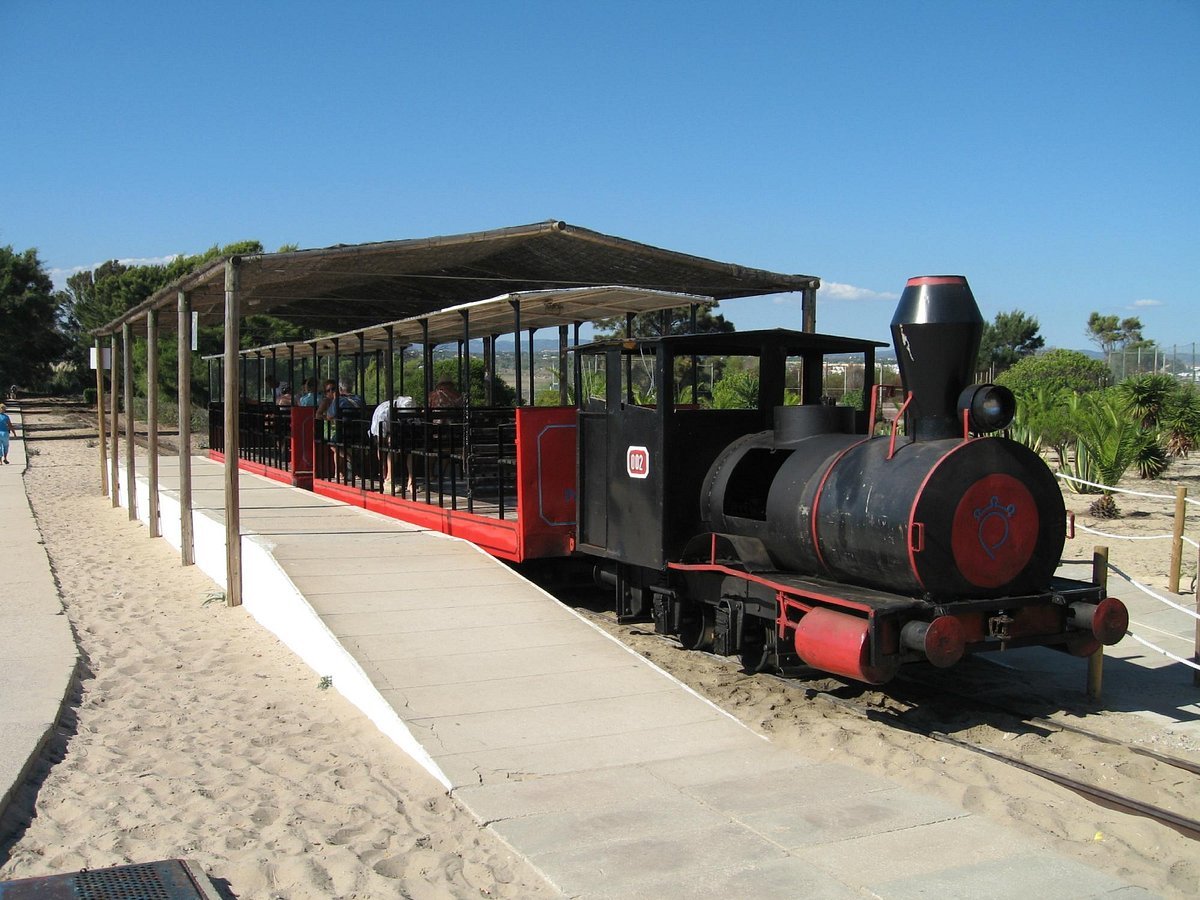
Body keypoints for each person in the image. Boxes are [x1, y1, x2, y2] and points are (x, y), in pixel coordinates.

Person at [369, 396, 418, 493]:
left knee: (412, 446)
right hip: (383, 431)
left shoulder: (410, 410)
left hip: (400, 430)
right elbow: (380, 441)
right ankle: (387, 478)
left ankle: (411, 482)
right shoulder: (384, 413)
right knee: (391, 445)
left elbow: (416, 426)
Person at [322, 379, 365, 479]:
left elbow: (329, 416)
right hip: (359, 433)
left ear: (340, 389)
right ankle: (352, 470)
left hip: (343, 433)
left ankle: (340, 470)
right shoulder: (359, 399)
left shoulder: (338, 400)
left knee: (333, 444)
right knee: (340, 442)